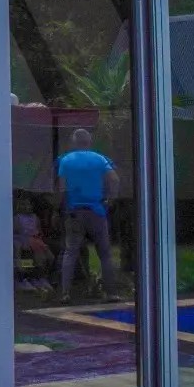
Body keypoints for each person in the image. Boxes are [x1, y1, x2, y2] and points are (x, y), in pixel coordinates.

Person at [55, 129, 122, 303]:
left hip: (74, 212)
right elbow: (114, 179)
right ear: (89, 142)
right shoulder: (100, 159)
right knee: (104, 253)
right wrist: (110, 200)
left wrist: (62, 208)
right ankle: (111, 293)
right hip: (96, 211)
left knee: (70, 252)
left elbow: (62, 188)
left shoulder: (65, 160)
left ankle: (65, 293)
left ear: (73, 142)